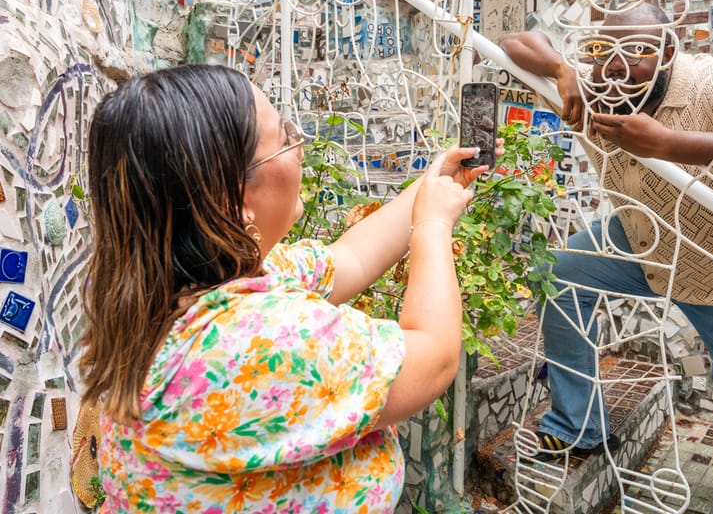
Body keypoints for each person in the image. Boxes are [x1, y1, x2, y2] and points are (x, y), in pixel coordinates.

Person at [78, 64, 499, 513]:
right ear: (232, 200)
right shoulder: (256, 341)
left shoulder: (188, 290)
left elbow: (351, 257)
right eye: (285, 136)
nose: (301, 146)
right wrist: (434, 226)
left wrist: (434, 185)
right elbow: (432, 358)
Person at [499, 1, 713, 514]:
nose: (617, 66)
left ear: (669, 52)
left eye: (639, 51)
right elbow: (514, 41)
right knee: (558, 270)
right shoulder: (599, 78)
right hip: (646, 243)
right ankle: (578, 423)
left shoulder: (712, 82)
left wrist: (670, 144)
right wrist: (563, 68)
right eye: (602, 51)